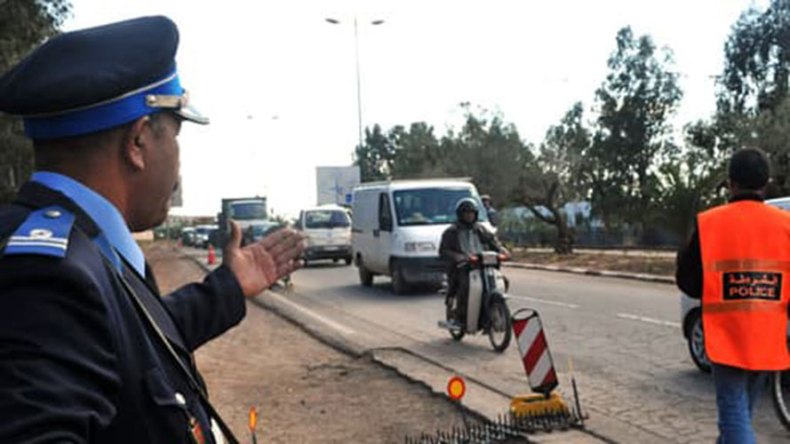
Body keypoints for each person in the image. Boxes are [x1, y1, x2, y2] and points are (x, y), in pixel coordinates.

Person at [0, 16, 304, 443]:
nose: (178, 161)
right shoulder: (50, 275)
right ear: (139, 142)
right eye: (176, 136)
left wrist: (228, 287)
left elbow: (126, 342)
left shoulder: (79, 246)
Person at [676, 148, 790, 443]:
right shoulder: (785, 225)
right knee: (739, 415)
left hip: (727, 337)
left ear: (731, 183)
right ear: (766, 184)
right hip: (768, 337)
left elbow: (686, 280)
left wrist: (717, 288)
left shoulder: (710, 223)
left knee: (733, 413)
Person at [439, 198, 507, 328]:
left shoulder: (480, 229)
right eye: (466, 213)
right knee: (466, 286)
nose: (469, 215)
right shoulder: (451, 232)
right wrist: (458, 256)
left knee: (504, 281)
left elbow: (494, 242)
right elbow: (444, 251)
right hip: (463, 268)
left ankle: (494, 308)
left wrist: (502, 251)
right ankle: (460, 317)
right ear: (460, 214)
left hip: (484, 265)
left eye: (472, 213)